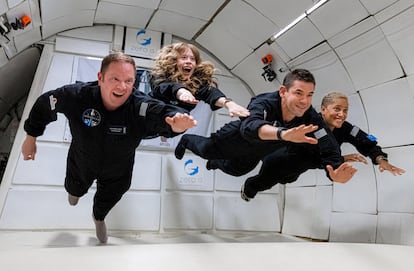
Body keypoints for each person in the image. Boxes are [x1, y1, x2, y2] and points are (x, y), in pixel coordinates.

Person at [21, 52, 197, 243]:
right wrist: (31, 137)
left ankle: (99, 218)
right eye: (115, 79)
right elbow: (45, 104)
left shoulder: (139, 105)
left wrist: (176, 125)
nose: (122, 87)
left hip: (118, 169)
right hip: (82, 161)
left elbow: (163, 113)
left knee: (108, 198)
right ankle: (75, 193)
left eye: (129, 81)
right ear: (100, 78)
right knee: (74, 189)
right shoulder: (78, 96)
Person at [174, 69, 357, 196]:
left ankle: (215, 163)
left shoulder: (309, 116)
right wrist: (283, 134)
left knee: (237, 170)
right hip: (235, 138)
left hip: (259, 151)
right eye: (299, 93)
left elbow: (327, 142)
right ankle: (186, 140)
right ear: (283, 91)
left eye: (310, 95)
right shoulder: (264, 102)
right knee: (206, 150)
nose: (304, 101)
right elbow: (250, 126)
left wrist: (333, 170)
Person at [241, 91, 405, 201]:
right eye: (337, 109)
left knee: (289, 179)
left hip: (299, 169)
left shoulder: (346, 128)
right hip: (279, 161)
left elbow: (366, 141)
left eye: (345, 110)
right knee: (262, 183)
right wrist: (339, 160)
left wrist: (380, 159)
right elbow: (315, 155)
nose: (342, 114)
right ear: (323, 109)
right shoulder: (308, 123)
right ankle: (248, 188)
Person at [148, 42, 250, 117]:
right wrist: (182, 92)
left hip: (172, 125)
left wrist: (228, 104)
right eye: (184, 58)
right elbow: (165, 87)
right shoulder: (159, 76)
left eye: (192, 59)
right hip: (148, 117)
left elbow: (211, 93)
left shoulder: (196, 83)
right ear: (173, 61)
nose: (189, 62)